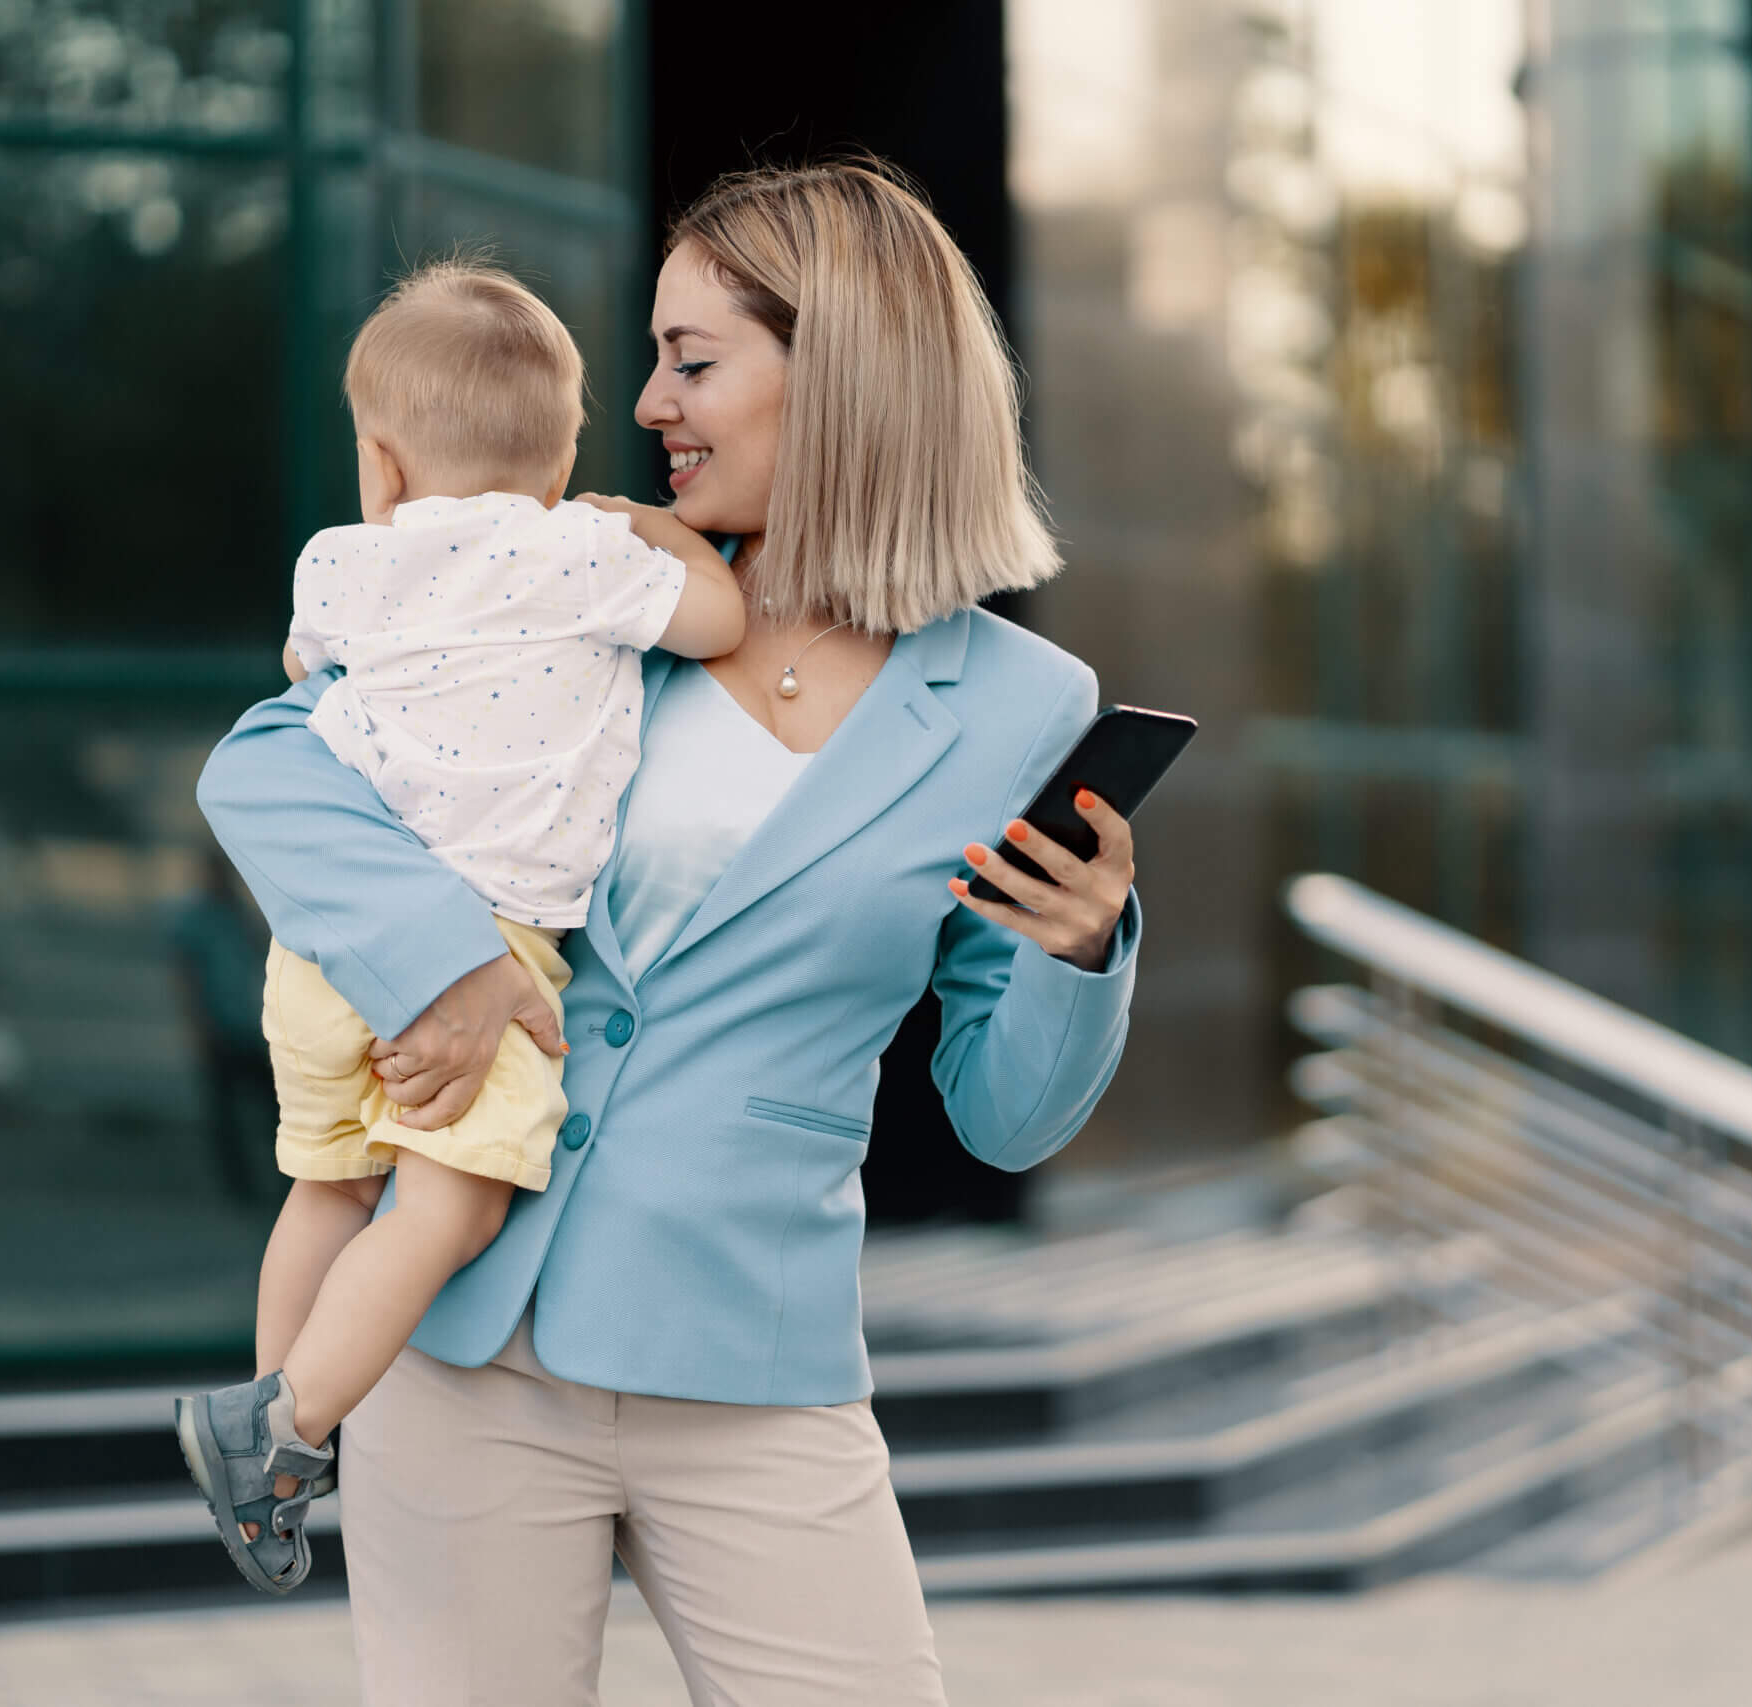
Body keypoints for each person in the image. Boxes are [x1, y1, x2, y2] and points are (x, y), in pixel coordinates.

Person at [196, 161, 1146, 1705]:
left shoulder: (1024, 712)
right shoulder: (586, 578)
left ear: (842, 374)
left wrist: (1079, 950)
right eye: (653, 359)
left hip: (752, 1357)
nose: (648, 403)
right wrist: (445, 957)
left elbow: (1007, 1115)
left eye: (693, 360)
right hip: (462, 1334)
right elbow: (268, 764)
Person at [174, 258, 746, 1597]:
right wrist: (656, 535)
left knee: (326, 1185)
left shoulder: (342, 565)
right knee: (449, 1209)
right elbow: (719, 619)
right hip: (486, 958)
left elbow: (303, 679)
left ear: (380, 462)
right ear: (562, 461)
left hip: (320, 951)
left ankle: (266, 1414)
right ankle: (283, 1429)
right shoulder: (580, 555)